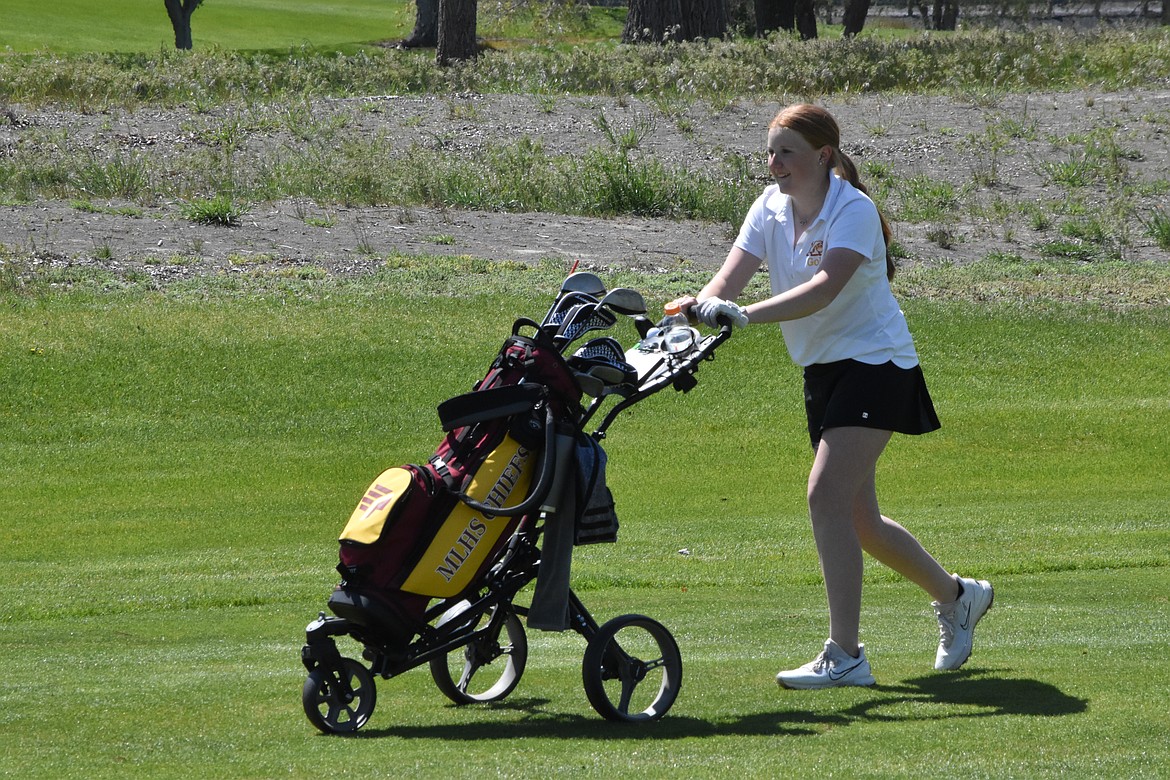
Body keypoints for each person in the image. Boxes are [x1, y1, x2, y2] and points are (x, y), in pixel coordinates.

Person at [674, 104, 993, 690]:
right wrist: (692, 316)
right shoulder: (768, 208)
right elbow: (727, 279)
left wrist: (743, 315)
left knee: (824, 496)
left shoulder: (855, 209)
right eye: (770, 151)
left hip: (877, 365)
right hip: (821, 372)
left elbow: (824, 290)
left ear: (823, 155)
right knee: (860, 521)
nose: (775, 163)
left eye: (787, 151)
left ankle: (845, 655)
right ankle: (958, 596)